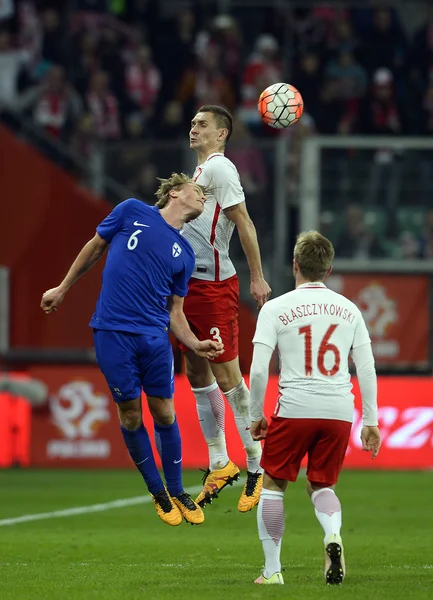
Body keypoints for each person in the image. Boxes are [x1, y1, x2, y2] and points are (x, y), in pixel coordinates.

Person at [40, 173, 224, 527]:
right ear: (175, 192)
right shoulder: (130, 211)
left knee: (165, 413)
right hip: (113, 331)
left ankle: (177, 490)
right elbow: (95, 246)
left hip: (155, 338)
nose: (203, 198)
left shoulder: (185, 254)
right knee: (130, 415)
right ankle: (158, 493)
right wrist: (63, 288)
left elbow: (176, 313)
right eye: (198, 191)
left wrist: (195, 343)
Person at [249, 231, 381, 585]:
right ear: (328, 269)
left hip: (295, 408)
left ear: (295, 265)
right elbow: (366, 367)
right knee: (322, 486)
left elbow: (260, 369)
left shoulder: (275, 308)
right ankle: (332, 536)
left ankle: (272, 570)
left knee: (274, 485)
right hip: (339, 410)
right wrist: (371, 420)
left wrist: (254, 416)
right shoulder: (350, 309)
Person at [181, 104, 271, 512]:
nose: (193, 128)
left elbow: (245, 222)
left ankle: (256, 465)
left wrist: (257, 276)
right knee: (195, 371)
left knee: (229, 377)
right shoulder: (199, 173)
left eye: (203, 124)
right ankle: (219, 461)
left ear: (222, 134)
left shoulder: (220, 168)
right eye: (193, 123)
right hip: (188, 284)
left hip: (215, 285)